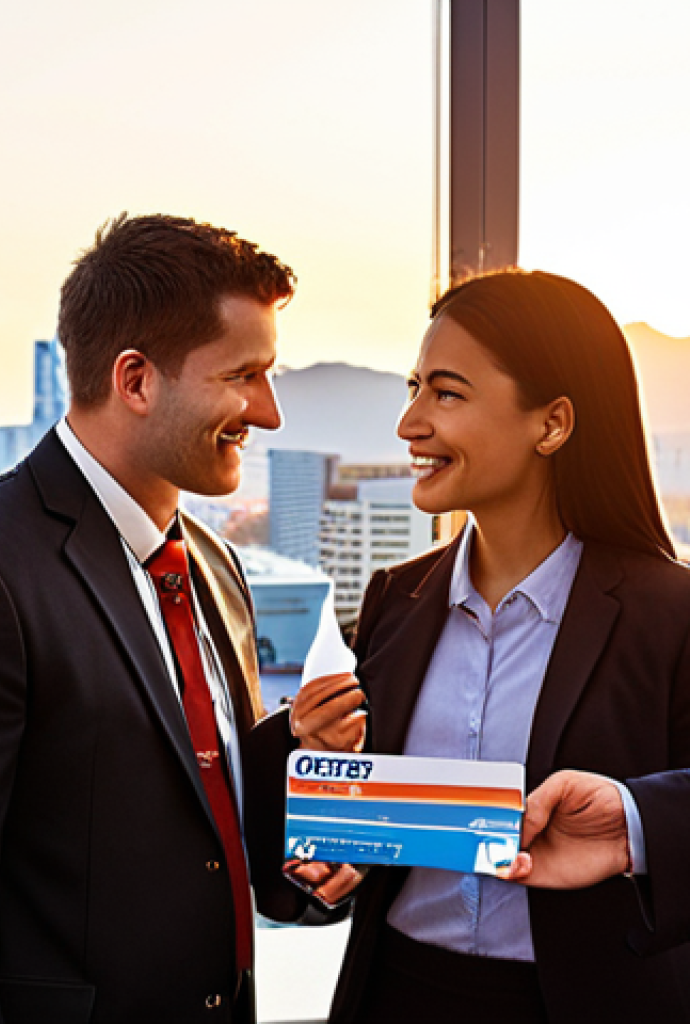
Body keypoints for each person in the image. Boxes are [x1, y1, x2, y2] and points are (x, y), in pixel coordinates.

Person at [0, 213, 296, 1023]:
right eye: (243, 375)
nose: (268, 412)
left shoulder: (215, 568)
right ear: (135, 379)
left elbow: (208, 833)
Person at [249, 269, 690, 1022]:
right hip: (397, 995)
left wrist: (631, 823)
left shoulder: (669, 612)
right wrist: (325, 837)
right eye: (413, 387)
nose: (409, 422)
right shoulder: (395, 599)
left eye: (446, 394)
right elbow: (344, 829)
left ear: (551, 424)